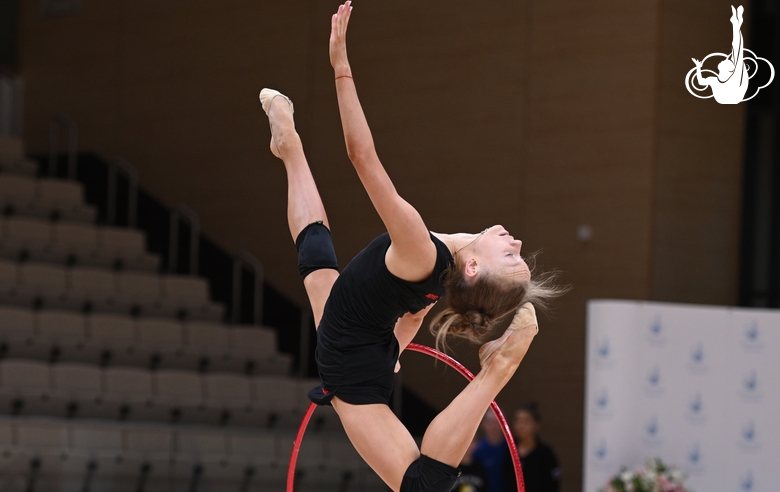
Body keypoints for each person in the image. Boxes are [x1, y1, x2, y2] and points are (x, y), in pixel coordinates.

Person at [259, 3, 561, 491]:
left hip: (353, 368)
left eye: (511, 256)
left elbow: (362, 157)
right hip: (365, 342)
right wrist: (395, 347)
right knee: (317, 265)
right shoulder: (442, 266)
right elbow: (415, 313)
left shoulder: (423, 249)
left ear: (474, 267)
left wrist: (340, 65)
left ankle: (496, 371)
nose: (518, 241)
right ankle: (289, 145)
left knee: (319, 264)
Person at [692, 5, 748, 104]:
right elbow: (701, 82)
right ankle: (736, 23)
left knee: (737, 50)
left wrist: (698, 67)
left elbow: (737, 49)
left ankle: (736, 23)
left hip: (731, 95)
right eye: (729, 61)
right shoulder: (720, 80)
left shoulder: (723, 79)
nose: (725, 59)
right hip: (730, 96)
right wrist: (698, 67)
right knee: (737, 51)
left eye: (727, 61)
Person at [504, 403, 561, 492]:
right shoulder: (509, 451)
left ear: (537, 424)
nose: (521, 425)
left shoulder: (545, 454)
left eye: (526, 421)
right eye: (518, 421)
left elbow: (553, 484)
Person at [472, 411, 510, 492]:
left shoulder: (511, 449)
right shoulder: (477, 451)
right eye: (490, 422)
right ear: (483, 424)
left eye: (497, 422)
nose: (494, 426)